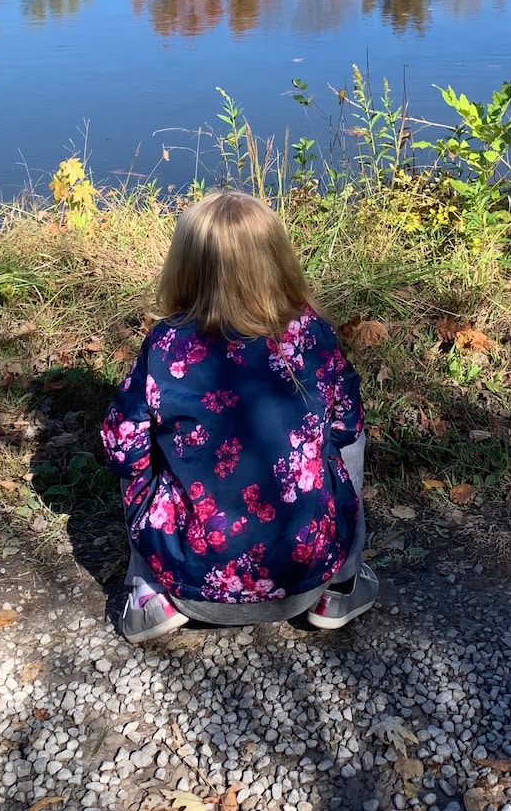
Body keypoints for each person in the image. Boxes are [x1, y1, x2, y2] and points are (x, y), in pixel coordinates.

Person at [100, 188, 378, 643]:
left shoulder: (166, 345)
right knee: (347, 437)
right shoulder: (311, 333)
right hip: (307, 574)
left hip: (191, 583)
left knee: (134, 444)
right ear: (277, 260)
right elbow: (347, 424)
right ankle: (343, 586)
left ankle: (150, 595)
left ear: (185, 266)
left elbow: (121, 449)